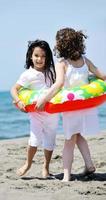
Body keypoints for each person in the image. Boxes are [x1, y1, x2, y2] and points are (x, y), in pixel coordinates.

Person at [36, 28, 106, 181]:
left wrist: (44, 99)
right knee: (78, 135)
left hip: (71, 107)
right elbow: (102, 75)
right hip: (86, 107)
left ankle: (66, 176)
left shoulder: (62, 63)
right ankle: (89, 166)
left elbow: (59, 84)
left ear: (60, 45)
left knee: (69, 140)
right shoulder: (85, 60)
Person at [11, 39, 58, 178]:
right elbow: (14, 89)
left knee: (50, 140)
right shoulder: (28, 74)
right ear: (31, 56)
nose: (40, 59)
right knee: (34, 140)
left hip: (51, 113)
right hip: (36, 114)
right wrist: (18, 101)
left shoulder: (52, 71)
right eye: (36, 55)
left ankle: (46, 167)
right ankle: (28, 163)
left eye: (43, 56)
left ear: (47, 57)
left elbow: (60, 86)